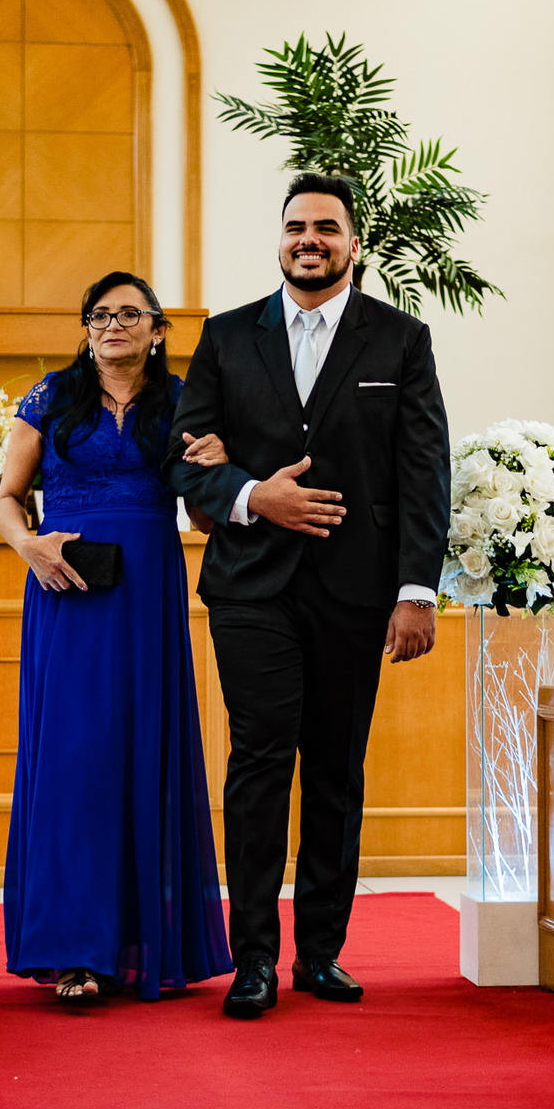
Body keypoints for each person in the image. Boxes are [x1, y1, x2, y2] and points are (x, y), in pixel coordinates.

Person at [166, 172, 451, 1020]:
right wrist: (256, 496)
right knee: (258, 763)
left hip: (358, 590)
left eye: (327, 227)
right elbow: (184, 463)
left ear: (353, 242)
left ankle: (321, 953)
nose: (309, 239)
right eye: (296, 226)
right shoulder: (225, 338)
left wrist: (416, 590)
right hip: (251, 588)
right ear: (279, 237)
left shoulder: (400, 340)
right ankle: (252, 957)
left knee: (335, 770)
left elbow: (422, 470)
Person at [0, 271, 232, 1003]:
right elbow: (4, 499)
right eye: (101, 314)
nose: (113, 326)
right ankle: (73, 948)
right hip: (67, 595)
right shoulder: (50, 395)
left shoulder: (184, 401)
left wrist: (220, 471)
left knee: (142, 753)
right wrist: (29, 547)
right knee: (72, 761)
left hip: (149, 599)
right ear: (86, 326)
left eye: (130, 314)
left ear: (158, 329)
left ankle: (145, 940)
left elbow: (203, 522)